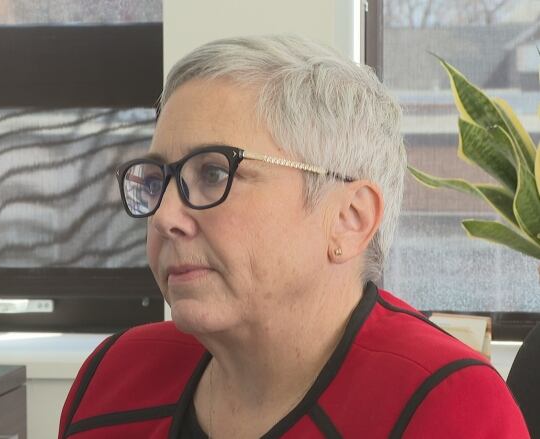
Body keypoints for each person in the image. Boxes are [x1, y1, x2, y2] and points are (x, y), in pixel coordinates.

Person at [58, 34, 529, 438]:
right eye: (158, 179)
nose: (164, 217)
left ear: (349, 217)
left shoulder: (447, 407)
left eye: (215, 174)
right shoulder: (114, 377)